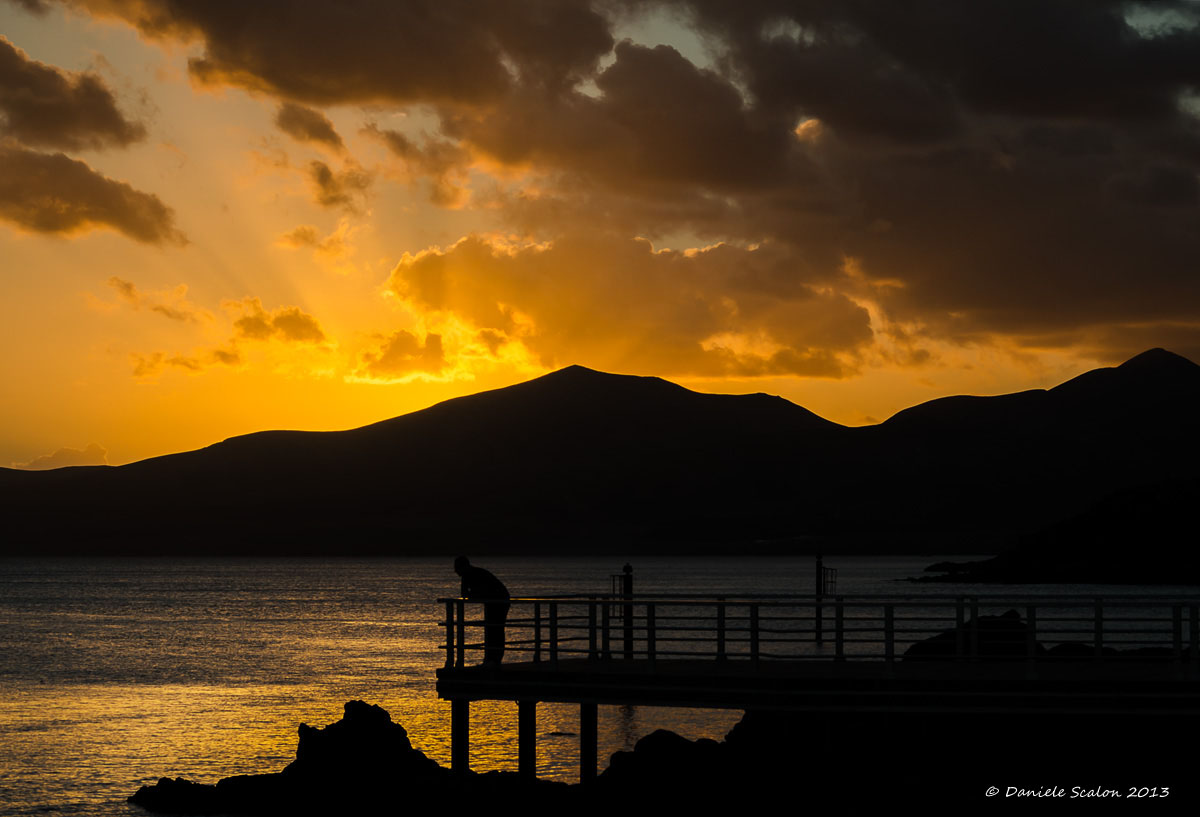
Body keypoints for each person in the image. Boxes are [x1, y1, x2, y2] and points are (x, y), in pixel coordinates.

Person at [453, 556, 510, 666]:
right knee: (493, 629)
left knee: (495, 629)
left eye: (457, 568)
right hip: (495, 600)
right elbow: (466, 594)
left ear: (463, 567)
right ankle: (491, 659)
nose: (455, 571)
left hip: (498, 601)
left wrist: (473, 594)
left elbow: (468, 593)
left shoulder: (472, 574)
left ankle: (493, 659)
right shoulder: (473, 574)